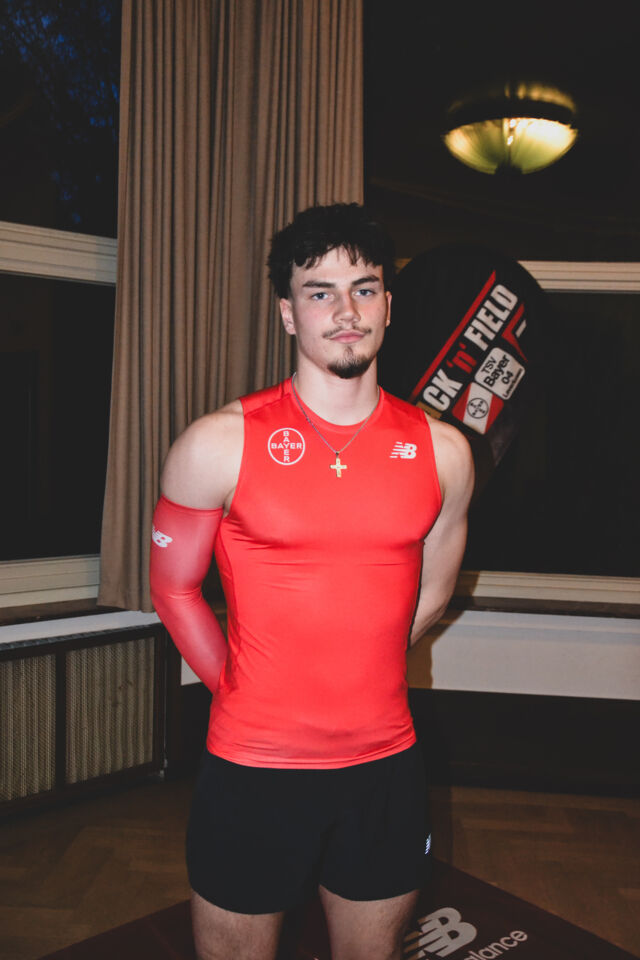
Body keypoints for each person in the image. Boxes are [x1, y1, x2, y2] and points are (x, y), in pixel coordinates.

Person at [149, 203, 474, 960]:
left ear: (388, 305)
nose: (346, 311)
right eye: (320, 291)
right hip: (252, 769)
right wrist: (236, 684)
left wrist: (361, 666)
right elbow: (173, 588)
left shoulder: (443, 452)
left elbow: (432, 591)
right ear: (288, 313)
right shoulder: (217, 444)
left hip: (384, 767)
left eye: (365, 288)